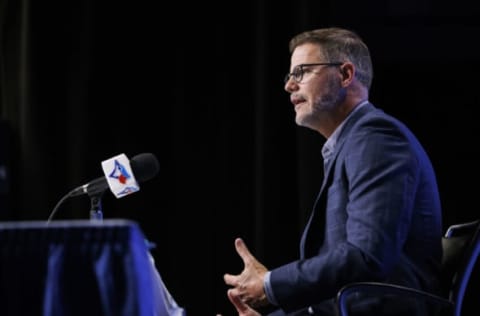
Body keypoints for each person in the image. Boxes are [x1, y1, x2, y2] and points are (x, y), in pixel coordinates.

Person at [221, 27, 443, 316]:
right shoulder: (351, 144)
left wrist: (270, 283)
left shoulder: (376, 137)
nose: (289, 85)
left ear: (346, 74)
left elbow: (367, 258)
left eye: (301, 72)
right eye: (289, 75)